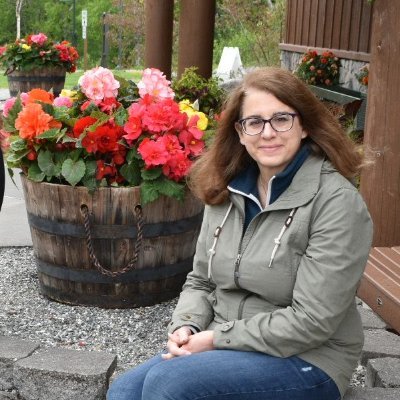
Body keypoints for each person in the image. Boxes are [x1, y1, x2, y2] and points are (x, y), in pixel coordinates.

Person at [107, 67, 373, 400]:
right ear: (240, 132)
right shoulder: (224, 190)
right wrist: (186, 326)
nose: (268, 133)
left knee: (169, 385)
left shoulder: (336, 203)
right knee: (125, 392)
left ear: (303, 125)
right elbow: (201, 281)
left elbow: (312, 321)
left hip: (309, 359)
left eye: (281, 119)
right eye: (255, 122)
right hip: (230, 344)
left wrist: (217, 339)